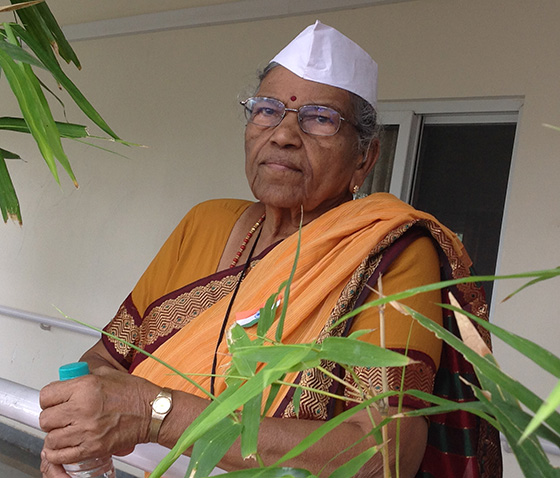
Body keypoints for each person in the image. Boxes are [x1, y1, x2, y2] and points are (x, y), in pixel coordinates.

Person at [39, 21, 501, 478]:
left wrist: (155, 413)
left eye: (320, 118)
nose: (282, 133)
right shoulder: (205, 222)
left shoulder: (391, 255)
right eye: (266, 110)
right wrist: (75, 432)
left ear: (366, 156)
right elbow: (104, 359)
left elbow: (383, 451)